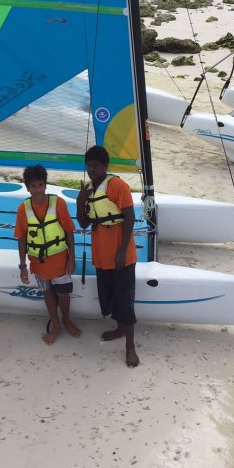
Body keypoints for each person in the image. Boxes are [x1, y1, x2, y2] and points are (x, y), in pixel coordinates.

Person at [76, 145, 139, 368]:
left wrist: (122, 251)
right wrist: (80, 200)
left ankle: (130, 346)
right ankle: (119, 328)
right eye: (88, 166)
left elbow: (130, 218)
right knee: (110, 296)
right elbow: (83, 223)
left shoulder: (117, 186)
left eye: (95, 166)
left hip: (121, 256)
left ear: (105, 165)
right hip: (101, 255)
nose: (91, 170)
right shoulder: (89, 190)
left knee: (125, 300)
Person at [14, 164, 80, 345]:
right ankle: (56, 325)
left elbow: (69, 231)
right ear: (27, 188)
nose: (37, 190)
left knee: (64, 294)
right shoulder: (23, 209)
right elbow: (21, 239)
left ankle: (66, 320)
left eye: (40, 185)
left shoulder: (58, 203)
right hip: (39, 263)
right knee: (47, 293)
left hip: (60, 260)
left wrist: (72, 259)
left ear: (45, 185)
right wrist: (22, 267)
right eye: (33, 186)